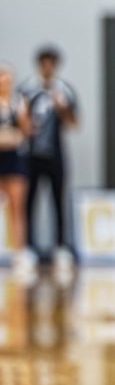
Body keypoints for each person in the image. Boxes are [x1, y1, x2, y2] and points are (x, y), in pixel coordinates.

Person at [18, 46, 77, 286]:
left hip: (56, 155)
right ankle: (28, 247)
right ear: (39, 65)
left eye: (52, 63)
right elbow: (18, 120)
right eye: (44, 63)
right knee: (29, 201)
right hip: (31, 155)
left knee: (57, 200)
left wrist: (62, 108)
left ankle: (61, 246)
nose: (48, 68)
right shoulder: (26, 89)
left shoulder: (64, 90)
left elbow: (74, 123)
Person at [0, 65, 34, 285]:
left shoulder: (19, 104)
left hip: (14, 160)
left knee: (17, 208)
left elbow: (25, 132)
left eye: (8, 78)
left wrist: (13, 137)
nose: (5, 82)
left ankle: (20, 254)